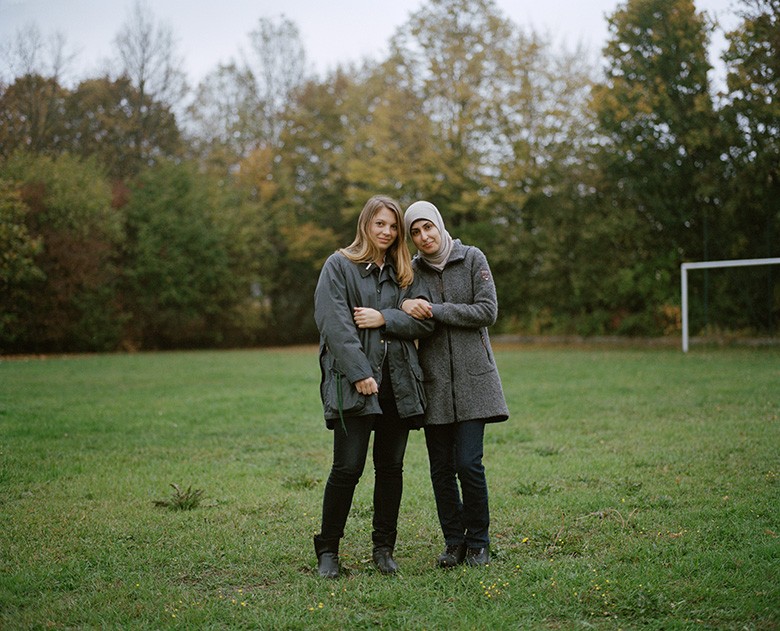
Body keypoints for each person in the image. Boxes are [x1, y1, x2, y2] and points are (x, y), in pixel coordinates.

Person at [313, 195, 434, 579]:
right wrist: (359, 372)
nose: (387, 231)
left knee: (391, 469)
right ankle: (328, 551)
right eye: (379, 223)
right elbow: (334, 324)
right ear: (366, 224)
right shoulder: (339, 266)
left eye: (393, 226)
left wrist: (385, 317)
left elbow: (424, 323)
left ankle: (384, 550)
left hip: (398, 384)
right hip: (358, 385)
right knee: (347, 468)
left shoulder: (406, 273)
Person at [401, 200, 509, 568]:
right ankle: (453, 541)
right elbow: (412, 319)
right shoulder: (411, 272)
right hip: (434, 384)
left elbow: (487, 311)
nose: (423, 236)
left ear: (439, 225)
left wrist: (436, 310)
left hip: (475, 381)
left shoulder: (473, 258)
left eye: (427, 227)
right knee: (441, 469)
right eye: (415, 232)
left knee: (468, 463)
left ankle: (479, 541)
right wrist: (405, 308)